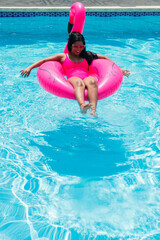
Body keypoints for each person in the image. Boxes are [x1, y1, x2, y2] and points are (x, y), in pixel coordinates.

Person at [20, 32, 130, 117]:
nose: (78, 49)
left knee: (92, 81)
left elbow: (105, 59)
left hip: (86, 76)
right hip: (73, 78)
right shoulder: (63, 57)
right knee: (79, 82)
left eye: (81, 46)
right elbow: (44, 60)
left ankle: (93, 110)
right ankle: (82, 105)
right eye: (75, 46)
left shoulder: (87, 55)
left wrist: (119, 69)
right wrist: (30, 67)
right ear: (70, 45)